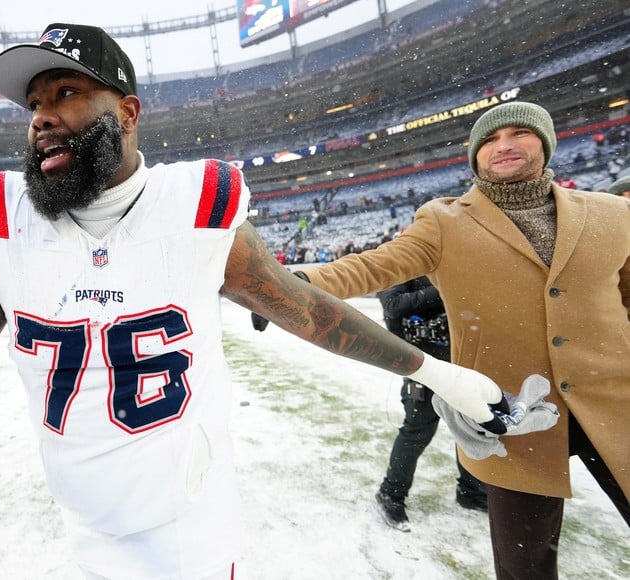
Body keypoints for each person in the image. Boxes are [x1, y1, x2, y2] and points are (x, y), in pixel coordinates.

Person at [0, 23, 508, 580]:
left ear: (128, 112)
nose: (41, 117)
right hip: (84, 517)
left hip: (191, 519)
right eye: (34, 105)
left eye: (66, 92)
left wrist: (436, 373)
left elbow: (304, 309)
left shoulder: (196, 208)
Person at [256, 101, 629, 579]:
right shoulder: (444, 221)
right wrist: (286, 283)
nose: (505, 145)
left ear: (546, 142)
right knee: (525, 565)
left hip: (617, 400)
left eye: (519, 133)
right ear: (474, 156)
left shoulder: (613, 213)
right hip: (512, 410)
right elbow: (372, 266)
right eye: (490, 140)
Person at [374, 276, 487, 532]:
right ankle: (391, 493)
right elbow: (392, 304)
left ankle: (471, 490)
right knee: (417, 432)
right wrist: (445, 288)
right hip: (424, 369)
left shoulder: (451, 265)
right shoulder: (406, 266)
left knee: (469, 429)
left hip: (460, 367)